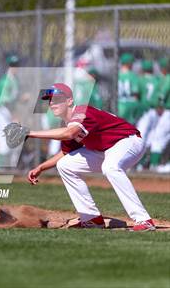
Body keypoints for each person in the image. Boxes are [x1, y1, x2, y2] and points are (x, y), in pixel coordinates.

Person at [25, 83, 155, 231]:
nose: (53, 103)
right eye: (50, 100)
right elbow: (65, 153)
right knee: (65, 165)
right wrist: (41, 167)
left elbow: (70, 134)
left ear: (69, 101)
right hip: (106, 150)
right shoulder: (69, 123)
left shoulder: (81, 111)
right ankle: (92, 219)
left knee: (110, 167)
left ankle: (144, 220)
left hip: (128, 141)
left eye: (58, 99)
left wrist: (30, 133)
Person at [0, 55, 20, 165]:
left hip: (7, 113)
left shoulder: (14, 80)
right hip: (2, 113)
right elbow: (5, 101)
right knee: (5, 144)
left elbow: (13, 100)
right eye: (12, 65)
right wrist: (14, 115)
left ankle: (10, 167)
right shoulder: (5, 80)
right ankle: (2, 169)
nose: (15, 67)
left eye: (16, 65)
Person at [136, 60, 162, 171]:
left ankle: (140, 163)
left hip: (144, 111)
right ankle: (149, 163)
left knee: (141, 136)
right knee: (152, 137)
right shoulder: (157, 80)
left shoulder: (140, 79)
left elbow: (137, 95)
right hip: (155, 111)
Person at [149, 57, 170, 172]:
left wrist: (159, 105)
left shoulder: (167, 78)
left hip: (168, 112)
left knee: (158, 138)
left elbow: (162, 95)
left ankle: (154, 165)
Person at [118, 53, 140, 124]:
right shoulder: (132, 75)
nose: (132, 65)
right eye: (131, 63)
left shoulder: (117, 75)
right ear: (128, 64)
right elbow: (135, 93)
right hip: (130, 104)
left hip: (119, 104)